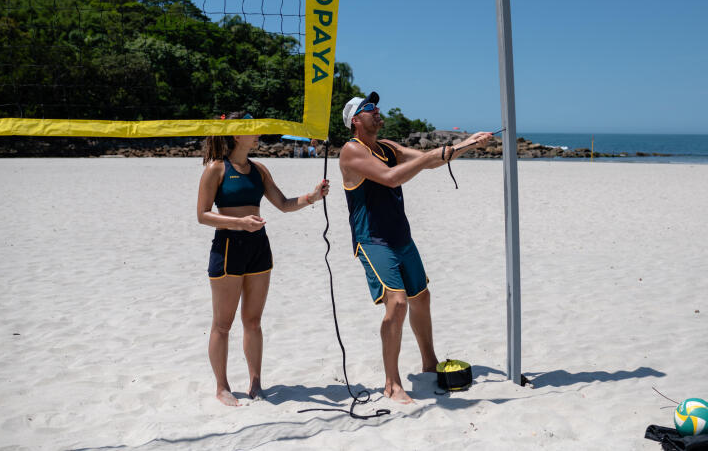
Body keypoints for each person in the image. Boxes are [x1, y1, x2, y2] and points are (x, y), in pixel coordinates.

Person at [338, 92, 491, 404]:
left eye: (377, 107)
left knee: (421, 298)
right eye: (370, 109)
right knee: (396, 304)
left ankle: (429, 363)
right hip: (373, 240)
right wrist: (426, 158)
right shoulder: (351, 151)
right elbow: (392, 178)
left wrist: (468, 144)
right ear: (355, 120)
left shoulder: (388, 146)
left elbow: (432, 160)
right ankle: (392, 384)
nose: (377, 111)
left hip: (400, 236)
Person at [197, 111, 330, 406]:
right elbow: (202, 215)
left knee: (253, 321)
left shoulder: (260, 170)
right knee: (222, 324)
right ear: (236, 134)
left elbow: (282, 204)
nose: (258, 132)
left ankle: (256, 382)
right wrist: (238, 223)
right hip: (228, 247)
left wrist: (312, 196)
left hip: (259, 247)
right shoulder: (216, 169)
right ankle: (222, 387)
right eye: (252, 129)